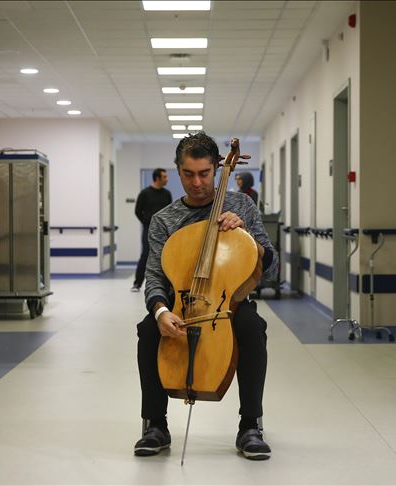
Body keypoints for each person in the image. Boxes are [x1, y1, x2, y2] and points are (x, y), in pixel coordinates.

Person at [133, 132, 279, 461]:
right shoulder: (164, 220)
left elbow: (272, 268)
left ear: (216, 169)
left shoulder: (242, 206)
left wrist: (246, 237)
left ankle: (250, 425)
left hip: (229, 301)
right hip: (181, 301)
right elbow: (154, 276)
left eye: (204, 173)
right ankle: (155, 425)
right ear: (177, 171)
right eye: (188, 174)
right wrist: (160, 311)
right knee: (148, 330)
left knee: (252, 327)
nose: (196, 182)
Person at [132, 168, 171, 292]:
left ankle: (167, 285)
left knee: (165, 256)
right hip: (148, 229)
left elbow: (170, 211)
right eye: (164, 177)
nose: (167, 179)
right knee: (145, 255)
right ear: (157, 178)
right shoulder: (145, 193)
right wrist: (146, 222)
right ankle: (137, 283)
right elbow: (138, 211)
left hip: (164, 230)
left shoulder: (167, 194)